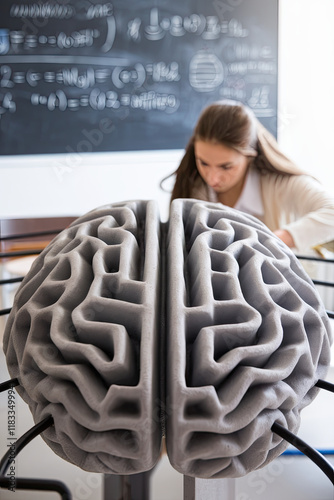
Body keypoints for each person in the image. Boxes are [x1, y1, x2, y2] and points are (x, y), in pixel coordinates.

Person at [164, 100, 334, 254]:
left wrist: (272, 240)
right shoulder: (193, 188)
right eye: (204, 163)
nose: (213, 179)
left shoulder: (282, 184)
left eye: (226, 166)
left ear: (250, 156)